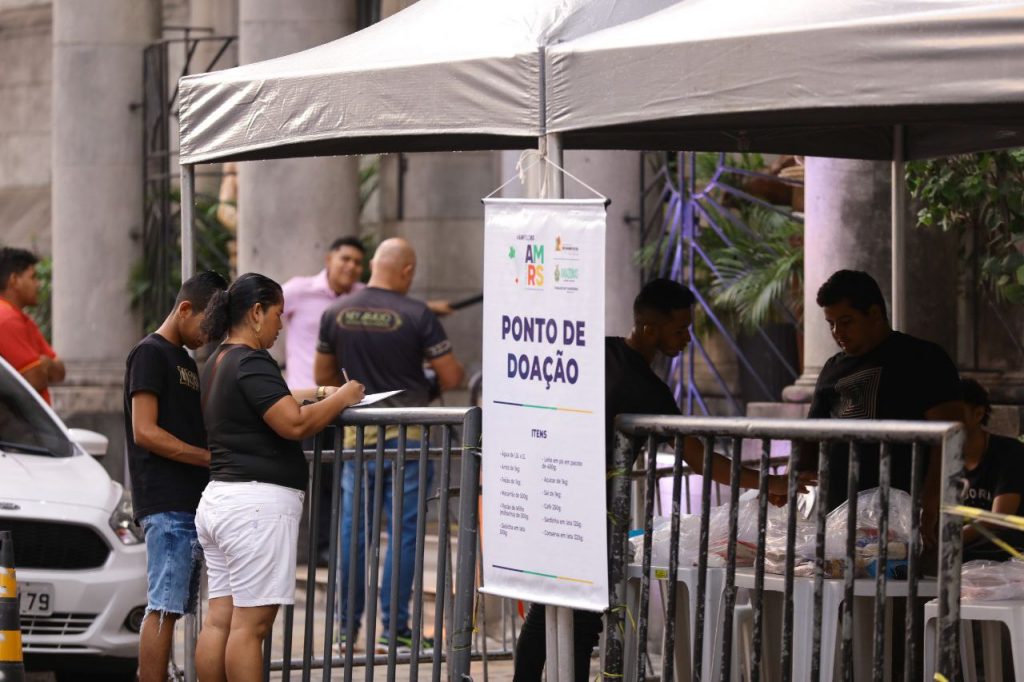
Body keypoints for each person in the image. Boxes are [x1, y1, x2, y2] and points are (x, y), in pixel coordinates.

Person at [513, 278, 795, 682]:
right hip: (587, 509)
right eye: (679, 329)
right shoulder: (645, 388)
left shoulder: (594, 353)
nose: (686, 339)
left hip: (552, 493)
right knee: (580, 620)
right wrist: (766, 483)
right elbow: (698, 458)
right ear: (648, 326)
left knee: (549, 608)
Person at [194, 273, 365, 681]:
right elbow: (292, 423)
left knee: (220, 621)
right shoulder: (252, 360)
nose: (280, 324)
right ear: (256, 313)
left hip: (222, 501)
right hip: (255, 508)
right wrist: (342, 397)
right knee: (250, 629)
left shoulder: (220, 360)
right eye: (277, 314)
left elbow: (278, 401)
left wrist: (320, 394)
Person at [314, 237, 464, 653]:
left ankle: (345, 632)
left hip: (355, 437)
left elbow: (323, 375)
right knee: (403, 534)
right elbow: (451, 377)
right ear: (407, 272)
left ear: (373, 266)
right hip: (409, 440)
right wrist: (423, 389)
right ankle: (393, 631)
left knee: (353, 534)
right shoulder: (417, 314)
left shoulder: (335, 312)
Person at [803, 269, 963, 547]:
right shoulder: (831, 369)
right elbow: (811, 434)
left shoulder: (923, 357)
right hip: (839, 514)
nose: (837, 332)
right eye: (831, 324)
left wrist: (933, 499)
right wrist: (797, 474)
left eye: (846, 321)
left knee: (908, 588)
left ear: (874, 314)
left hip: (903, 513)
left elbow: (950, 438)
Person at [123, 270, 227, 682]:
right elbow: (144, 431)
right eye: (206, 326)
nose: (208, 337)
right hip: (165, 502)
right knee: (163, 606)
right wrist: (206, 458)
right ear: (185, 309)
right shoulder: (150, 353)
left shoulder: (184, 359)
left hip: (188, 501)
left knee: (175, 606)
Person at [959, 378, 1024, 561]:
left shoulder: (1010, 453)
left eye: (954, 413)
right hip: (965, 543)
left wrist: (949, 541)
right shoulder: (939, 458)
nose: (944, 421)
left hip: (1005, 545)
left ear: (978, 413)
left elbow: (998, 519)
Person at [0, 247, 64, 403]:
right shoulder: (6, 318)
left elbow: (60, 372)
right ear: (14, 280)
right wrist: (45, 365)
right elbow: (32, 379)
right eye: (33, 277)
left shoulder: (22, 319)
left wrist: (45, 365)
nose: (38, 284)